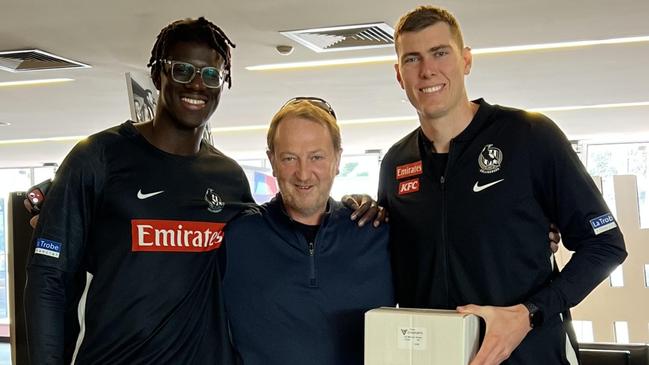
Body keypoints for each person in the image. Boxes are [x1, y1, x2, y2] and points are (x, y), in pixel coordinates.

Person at [378, 6, 627, 365]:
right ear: (399, 75)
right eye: (412, 58)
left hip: (531, 356)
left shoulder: (528, 136)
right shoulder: (395, 164)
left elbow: (605, 245)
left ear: (466, 60)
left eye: (440, 53)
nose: (427, 69)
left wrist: (529, 313)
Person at [24, 17, 253, 364]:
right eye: (183, 70)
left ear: (223, 84)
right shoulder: (98, 157)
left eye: (211, 75)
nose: (197, 85)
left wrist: (348, 213)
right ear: (159, 74)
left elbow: (273, 248)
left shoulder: (230, 178)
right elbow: (49, 280)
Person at [222, 98, 395, 365]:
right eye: (290, 158)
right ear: (272, 161)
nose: (303, 174)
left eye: (316, 157)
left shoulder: (376, 234)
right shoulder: (237, 237)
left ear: (337, 159)